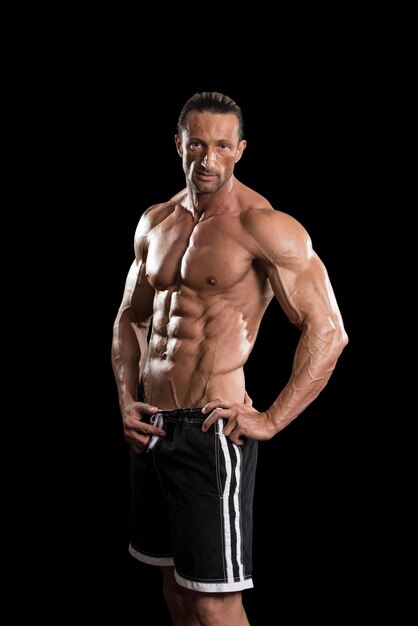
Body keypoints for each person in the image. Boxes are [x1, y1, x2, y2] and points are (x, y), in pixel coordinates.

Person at [111, 91, 348, 626]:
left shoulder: (263, 226)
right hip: (152, 430)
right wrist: (127, 399)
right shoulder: (155, 222)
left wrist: (270, 420)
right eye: (196, 144)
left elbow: (328, 331)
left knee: (215, 604)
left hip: (209, 430)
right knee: (174, 588)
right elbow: (131, 318)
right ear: (179, 145)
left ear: (240, 149)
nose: (207, 159)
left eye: (221, 145)